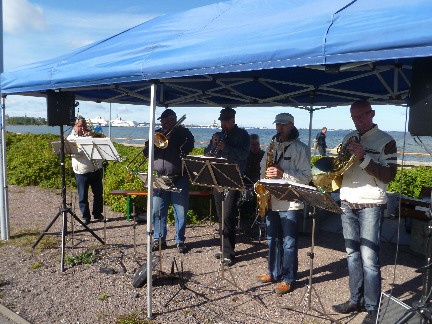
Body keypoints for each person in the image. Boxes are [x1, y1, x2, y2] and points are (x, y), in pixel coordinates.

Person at [331, 100, 397, 324]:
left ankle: (372, 308)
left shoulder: (387, 141)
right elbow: (339, 169)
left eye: (361, 116)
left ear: (372, 113)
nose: (358, 121)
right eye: (354, 117)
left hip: (371, 203)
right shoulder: (348, 137)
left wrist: (363, 158)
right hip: (347, 200)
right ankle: (354, 299)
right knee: (352, 256)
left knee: (369, 259)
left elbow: (388, 176)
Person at [256, 112, 311, 295]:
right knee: (272, 240)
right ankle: (273, 272)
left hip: (291, 202)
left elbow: (306, 177)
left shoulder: (301, 148)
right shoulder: (272, 145)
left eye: (283, 124)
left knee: (289, 243)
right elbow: (263, 169)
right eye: (277, 124)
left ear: (291, 125)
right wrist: (262, 181)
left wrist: (283, 174)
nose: (279, 128)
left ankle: (288, 279)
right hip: (271, 198)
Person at [144, 109, 195, 254]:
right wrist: (154, 142)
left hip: (180, 177)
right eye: (162, 120)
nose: (164, 123)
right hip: (159, 177)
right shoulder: (156, 133)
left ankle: (180, 240)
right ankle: (159, 239)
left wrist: (172, 139)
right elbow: (146, 153)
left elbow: (188, 148)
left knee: (181, 211)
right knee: (157, 210)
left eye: (168, 120)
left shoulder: (184, 133)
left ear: (174, 120)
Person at [210, 107, 250, 265]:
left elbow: (243, 154)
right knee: (220, 215)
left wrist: (224, 148)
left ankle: (229, 252)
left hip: (234, 178)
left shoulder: (243, 135)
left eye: (225, 122)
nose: (223, 124)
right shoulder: (218, 135)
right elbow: (209, 153)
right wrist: (213, 145)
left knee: (228, 215)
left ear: (232, 121)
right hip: (218, 178)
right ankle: (223, 247)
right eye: (221, 121)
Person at [67, 116, 104, 225]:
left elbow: (101, 146)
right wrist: (85, 145)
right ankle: (85, 216)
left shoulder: (91, 134)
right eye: (80, 126)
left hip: (95, 168)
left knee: (98, 193)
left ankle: (97, 213)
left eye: (84, 126)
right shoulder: (70, 138)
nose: (83, 128)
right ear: (75, 126)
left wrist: (92, 138)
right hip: (81, 170)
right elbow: (74, 154)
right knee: (83, 195)